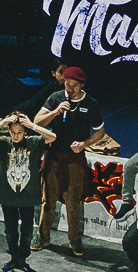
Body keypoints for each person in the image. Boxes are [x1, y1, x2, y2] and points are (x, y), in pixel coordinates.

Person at [33, 67, 104, 259]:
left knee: (73, 201)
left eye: (74, 85)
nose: (70, 89)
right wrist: (55, 112)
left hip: (75, 158)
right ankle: (43, 236)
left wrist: (84, 144)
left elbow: (100, 132)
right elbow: (37, 122)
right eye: (67, 84)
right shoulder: (56, 98)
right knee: (48, 199)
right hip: (54, 155)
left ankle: (74, 239)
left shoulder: (90, 104)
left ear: (82, 85)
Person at [0, 111, 53, 272]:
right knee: (10, 230)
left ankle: (22, 260)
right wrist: (3, 122)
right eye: (12, 132)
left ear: (25, 132)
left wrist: (32, 125)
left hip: (28, 195)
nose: (15, 136)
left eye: (20, 132)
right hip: (8, 195)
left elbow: (52, 137)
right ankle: (14, 259)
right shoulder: (4, 143)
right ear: (8, 131)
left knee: (27, 231)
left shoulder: (33, 142)